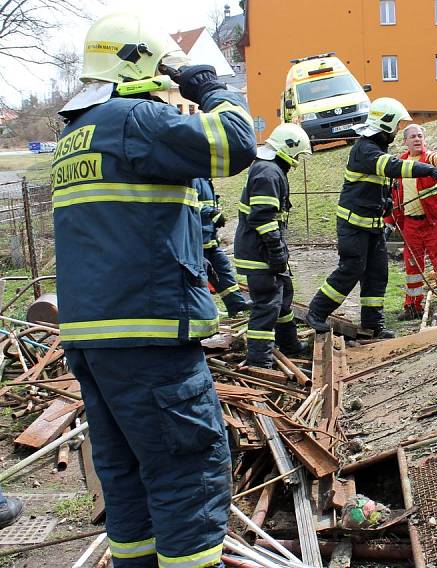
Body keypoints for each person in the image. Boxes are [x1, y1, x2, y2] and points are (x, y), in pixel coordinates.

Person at [52, 12, 256, 568]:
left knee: (128, 479)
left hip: (94, 340)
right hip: (149, 335)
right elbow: (236, 143)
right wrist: (212, 86)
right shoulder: (133, 120)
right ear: (141, 63)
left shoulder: (78, 134)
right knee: (187, 470)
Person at [305, 97, 437, 338]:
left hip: (371, 226)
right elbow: (394, 168)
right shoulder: (365, 149)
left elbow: (380, 184)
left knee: (377, 274)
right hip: (353, 225)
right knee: (352, 269)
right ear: (386, 125)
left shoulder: (376, 148)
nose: (397, 131)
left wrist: (386, 203)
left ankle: (373, 325)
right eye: (396, 126)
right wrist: (430, 170)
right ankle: (317, 311)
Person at [234, 124, 312, 368]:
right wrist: (276, 251)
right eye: (298, 154)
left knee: (283, 298)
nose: (297, 160)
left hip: (262, 252)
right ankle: (259, 361)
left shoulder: (270, 169)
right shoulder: (269, 172)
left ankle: (290, 346)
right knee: (267, 305)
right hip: (259, 254)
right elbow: (262, 217)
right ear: (289, 150)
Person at [384, 124, 437, 320]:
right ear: (405, 141)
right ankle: (412, 307)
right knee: (412, 268)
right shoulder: (399, 164)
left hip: (433, 223)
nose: (417, 139)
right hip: (411, 224)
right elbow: (394, 197)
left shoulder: (429, 159)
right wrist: (389, 221)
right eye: (413, 137)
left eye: (420, 136)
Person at [194, 177, 252, 317]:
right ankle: (201, 313)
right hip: (196, 243)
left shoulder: (206, 181)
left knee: (223, 270)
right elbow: (188, 204)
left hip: (210, 240)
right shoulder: (195, 179)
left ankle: (236, 305)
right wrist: (212, 212)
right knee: (198, 280)